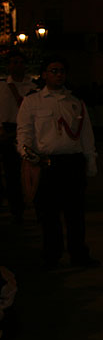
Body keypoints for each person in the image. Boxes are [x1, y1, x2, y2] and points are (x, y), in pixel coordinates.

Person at [16, 56, 99, 269]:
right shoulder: (32, 101)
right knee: (48, 215)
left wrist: (91, 161)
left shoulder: (74, 101)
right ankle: (51, 255)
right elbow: (24, 131)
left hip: (72, 163)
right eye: (53, 70)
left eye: (61, 71)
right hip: (47, 164)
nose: (58, 74)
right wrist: (26, 153)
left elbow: (86, 135)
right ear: (44, 74)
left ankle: (78, 253)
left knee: (75, 214)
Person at [0, 50, 38, 222]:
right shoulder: (2, 86)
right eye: (13, 62)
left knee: (30, 171)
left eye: (19, 62)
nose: (17, 65)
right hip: (6, 131)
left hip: (27, 131)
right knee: (11, 173)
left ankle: (33, 202)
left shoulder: (33, 87)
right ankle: (16, 209)